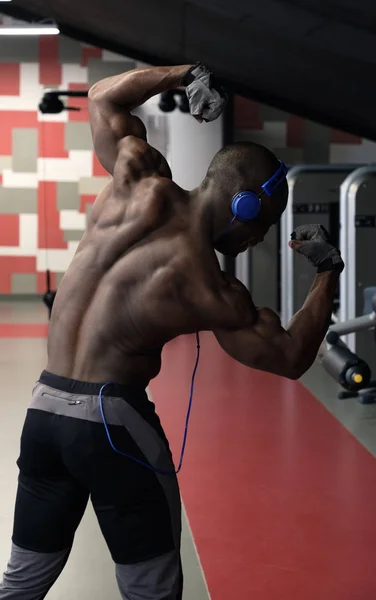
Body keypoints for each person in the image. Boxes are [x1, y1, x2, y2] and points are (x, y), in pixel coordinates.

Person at [0, 63, 344, 600]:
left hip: (44, 409)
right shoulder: (210, 287)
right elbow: (291, 355)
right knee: (152, 588)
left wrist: (187, 75)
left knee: (20, 585)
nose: (260, 237)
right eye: (262, 222)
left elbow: (103, 97)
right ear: (243, 203)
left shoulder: (136, 177)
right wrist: (328, 272)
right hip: (113, 423)